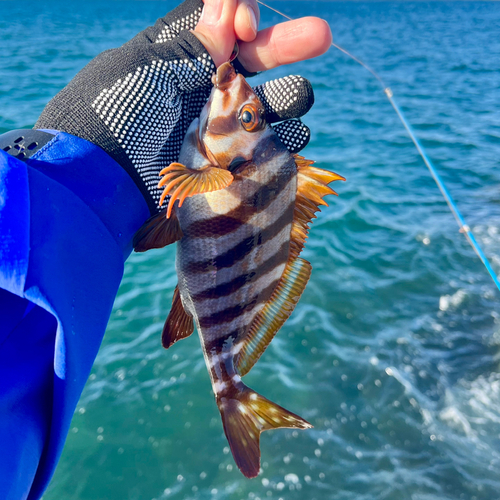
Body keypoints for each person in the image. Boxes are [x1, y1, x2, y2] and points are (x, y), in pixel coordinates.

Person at [0, 0, 332, 498]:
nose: (239, 101)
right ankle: (231, 387)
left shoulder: (217, 171)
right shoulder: (226, 166)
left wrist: (84, 155)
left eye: (246, 117)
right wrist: (87, 169)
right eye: (250, 114)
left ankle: (230, 386)